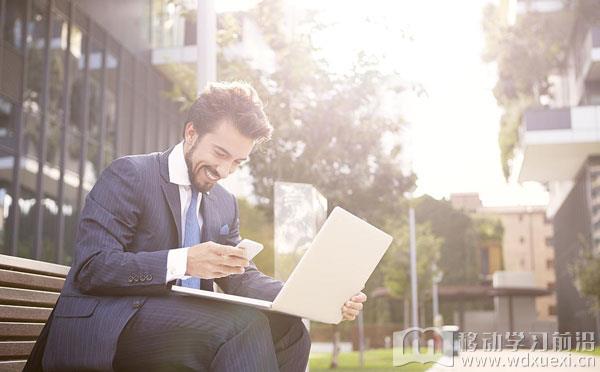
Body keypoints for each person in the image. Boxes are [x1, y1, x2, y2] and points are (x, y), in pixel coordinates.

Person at [25, 81, 367, 372]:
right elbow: (91, 267)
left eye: (237, 161)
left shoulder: (223, 202)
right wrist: (184, 261)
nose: (224, 170)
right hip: (107, 327)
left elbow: (239, 276)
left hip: (180, 327)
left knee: (290, 330)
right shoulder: (130, 175)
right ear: (191, 133)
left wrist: (312, 296)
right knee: (238, 327)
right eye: (219, 153)